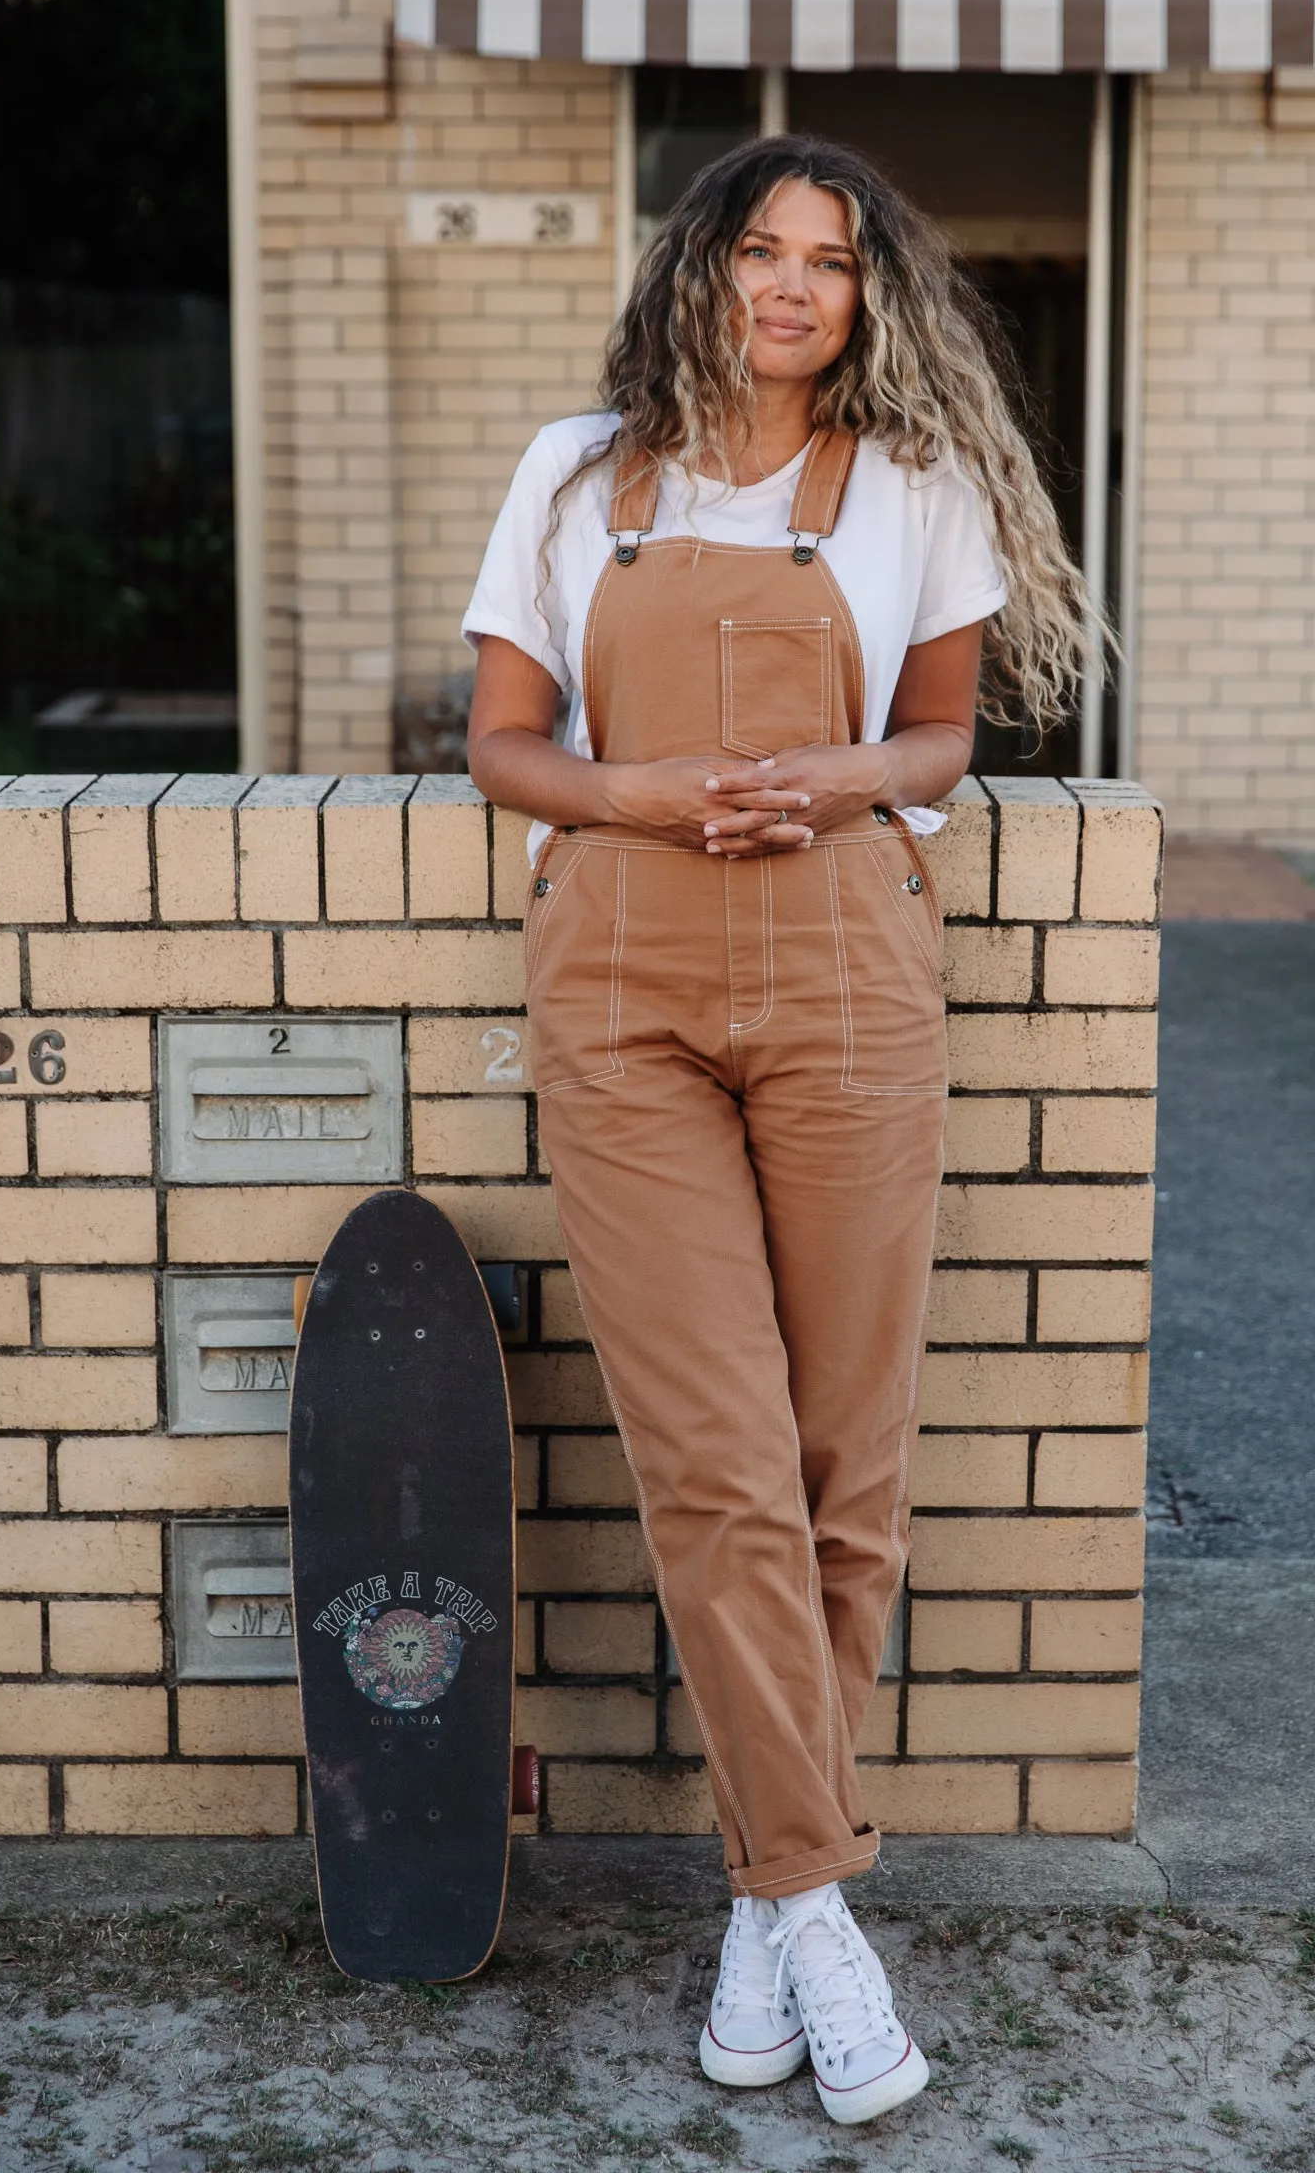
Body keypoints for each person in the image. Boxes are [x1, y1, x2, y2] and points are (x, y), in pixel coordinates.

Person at [463, 133, 1092, 2128]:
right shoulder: (578, 477)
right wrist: (658, 801)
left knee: (844, 1470)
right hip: (623, 1006)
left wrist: (812, 781)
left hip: (842, 987)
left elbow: (934, 740)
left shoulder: (911, 485)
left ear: (867, 296)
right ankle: (823, 1905)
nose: (794, 285)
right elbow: (501, 744)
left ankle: (760, 1908)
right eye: (760, 250)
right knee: (716, 1464)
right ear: (698, 271)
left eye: (831, 259)